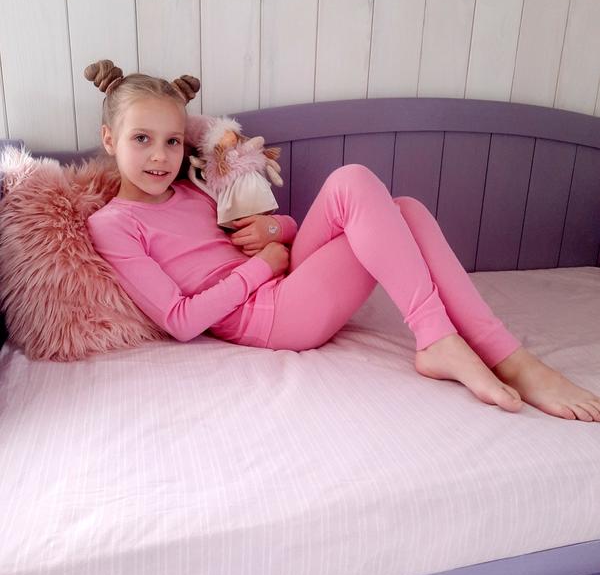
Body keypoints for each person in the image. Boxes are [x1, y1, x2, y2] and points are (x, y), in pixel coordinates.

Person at [84, 59, 600, 422]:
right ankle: (465, 346)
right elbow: (180, 321)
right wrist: (263, 267)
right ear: (110, 140)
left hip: (285, 278)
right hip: (268, 317)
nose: (160, 156)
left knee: (395, 204)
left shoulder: (194, 191)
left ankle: (478, 348)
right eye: (141, 139)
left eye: (173, 140)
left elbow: (279, 234)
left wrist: (273, 232)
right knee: (394, 211)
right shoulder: (113, 224)